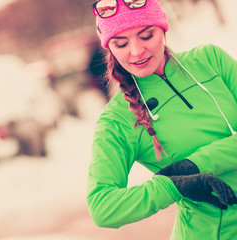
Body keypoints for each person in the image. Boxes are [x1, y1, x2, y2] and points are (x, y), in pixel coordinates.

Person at [86, 0, 237, 239]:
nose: (136, 51)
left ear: (163, 28)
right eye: (120, 43)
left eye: (146, 36)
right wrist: (174, 185)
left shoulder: (210, 60)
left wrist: (195, 165)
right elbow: (102, 207)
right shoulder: (116, 120)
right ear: (109, 47)